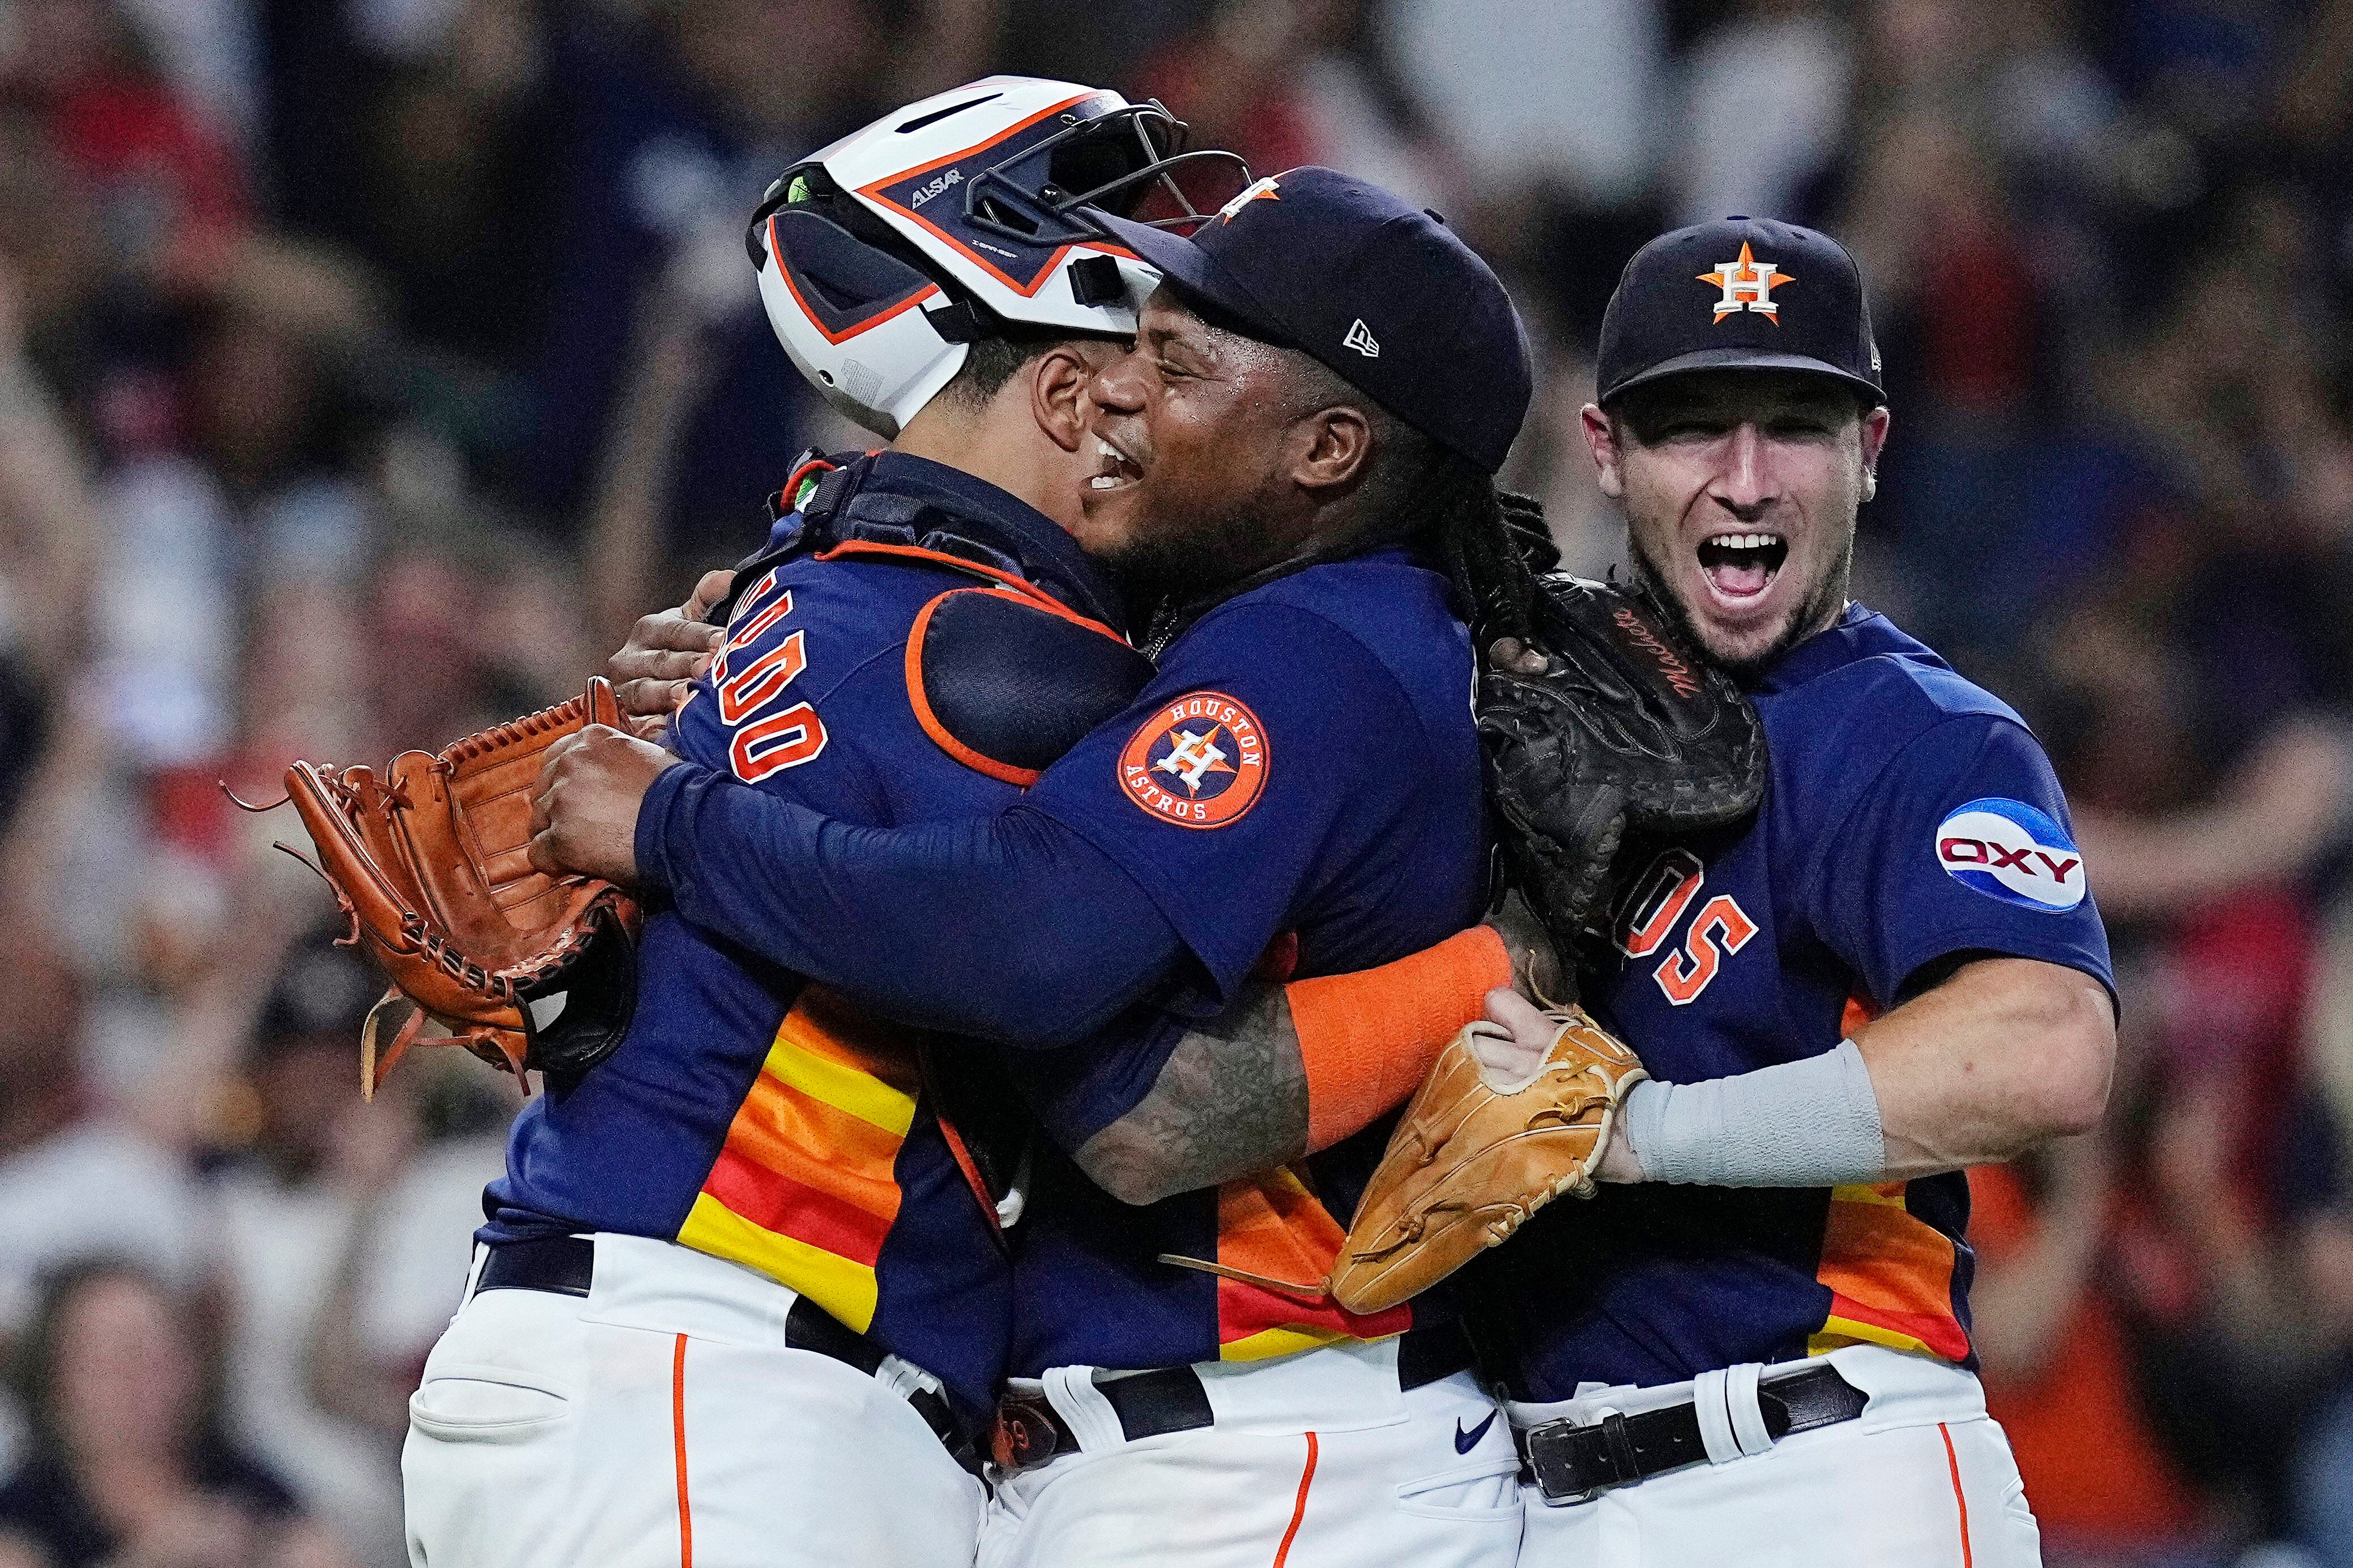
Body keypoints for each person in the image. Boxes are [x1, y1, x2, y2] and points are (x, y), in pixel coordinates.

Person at [409, 88, 1516, 1568]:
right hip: (722, 1392)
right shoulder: (1008, 653)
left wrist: (678, 796)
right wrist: (1498, 967)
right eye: (1133, 372)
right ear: (1057, 403)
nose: (1138, 402)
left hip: (665, 1372)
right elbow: (1105, 1057)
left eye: (1174, 366)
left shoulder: (814, 585)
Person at [1461, 217, 2117, 1565]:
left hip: (1815, 1474)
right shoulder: (1508, 696)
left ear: (1869, 453)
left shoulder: (1923, 735)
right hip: (1520, 1489)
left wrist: (1641, 1129)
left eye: (1796, 428)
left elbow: (2045, 1048)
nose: (1746, 480)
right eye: (1693, 427)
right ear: (1603, 452)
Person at [0, 1260, 354, 1568]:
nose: (145, 1378)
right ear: (56, 1381)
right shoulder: (22, 1517)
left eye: (162, 1351)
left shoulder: (239, 1478)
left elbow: (319, 1548)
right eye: (119, 1357)